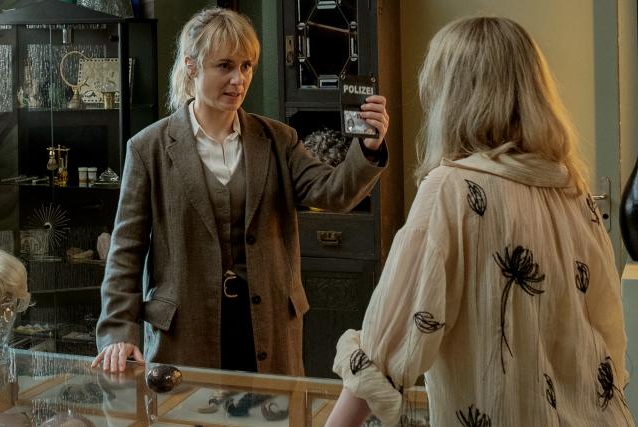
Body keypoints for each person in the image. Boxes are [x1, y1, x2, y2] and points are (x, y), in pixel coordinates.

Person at [326, 17, 633, 427]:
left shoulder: (450, 190)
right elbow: (610, 339)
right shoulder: (573, 191)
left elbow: (383, 352)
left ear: (451, 97)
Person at [92, 7, 389, 376]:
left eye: (246, 66)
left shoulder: (279, 140)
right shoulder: (147, 148)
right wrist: (119, 331)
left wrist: (369, 148)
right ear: (191, 66)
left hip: (267, 327)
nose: (239, 79)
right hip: (186, 332)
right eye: (225, 66)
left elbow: (334, 193)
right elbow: (126, 252)